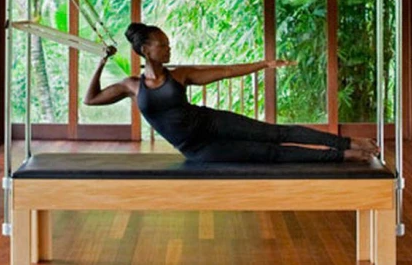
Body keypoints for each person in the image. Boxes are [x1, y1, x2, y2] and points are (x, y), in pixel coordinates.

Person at [84, 22, 379, 163]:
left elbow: (226, 71)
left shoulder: (181, 75)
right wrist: (101, 61)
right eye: (163, 45)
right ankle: (344, 156)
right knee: (269, 153)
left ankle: (348, 142)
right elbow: (91, 99)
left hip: (211, 121)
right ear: (145, 50)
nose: (169, 48)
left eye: (168, 44)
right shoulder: (130, 85)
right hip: (197, 148)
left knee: (275, 133)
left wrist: (264, 63)